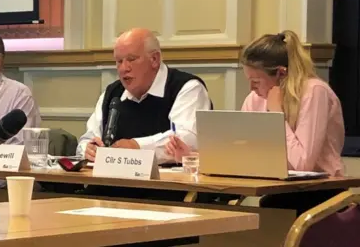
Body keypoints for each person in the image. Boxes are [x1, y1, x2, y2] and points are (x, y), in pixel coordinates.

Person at [167, 30, 345, 216]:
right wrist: (194, 157)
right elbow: (242, 155)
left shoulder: (314, 92)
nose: (251, 88)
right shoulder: (255, 99)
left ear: (281, 74)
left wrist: (277, 114)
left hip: (322, 196)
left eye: (256, 81)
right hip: (277, 192)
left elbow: (302, 164)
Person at [77, 28, 211, 201]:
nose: (124, 68)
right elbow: (86, 139)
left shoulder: (186, 88)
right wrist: (89, 150)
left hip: (166, 194)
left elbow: (186, 139)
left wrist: (137, 147)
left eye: (132, 59)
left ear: (154, 59)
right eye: (118, 61)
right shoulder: (113, 94)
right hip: (108, 191)